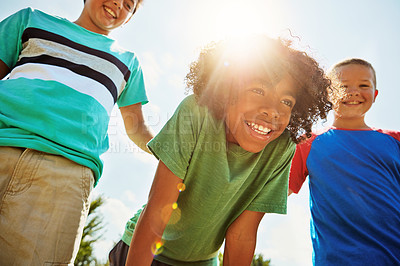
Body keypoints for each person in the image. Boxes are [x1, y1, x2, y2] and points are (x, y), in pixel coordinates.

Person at [108, 35, 332, 265]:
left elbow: (241, 235)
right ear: (228, 90)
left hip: (201, 261)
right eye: (258, 90)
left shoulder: (282, 147)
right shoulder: (195, 113)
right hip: (145, 252)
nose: (272, 110)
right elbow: (158, 211)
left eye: (286, 102)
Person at [0, 0, 153, 264]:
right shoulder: (30, 20)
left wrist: (178, 154)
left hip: (66, 176)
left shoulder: (128, 63)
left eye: (129, 5)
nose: (118, 4)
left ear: (129, 19)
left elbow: (137, 128)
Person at [289, 58, 400, 265]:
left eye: (363, 85)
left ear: (375, 95)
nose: (353, 91)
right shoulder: (307, 143)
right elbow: (273, 192)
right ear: (327, 95)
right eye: (342, 86)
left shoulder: (396, 140)